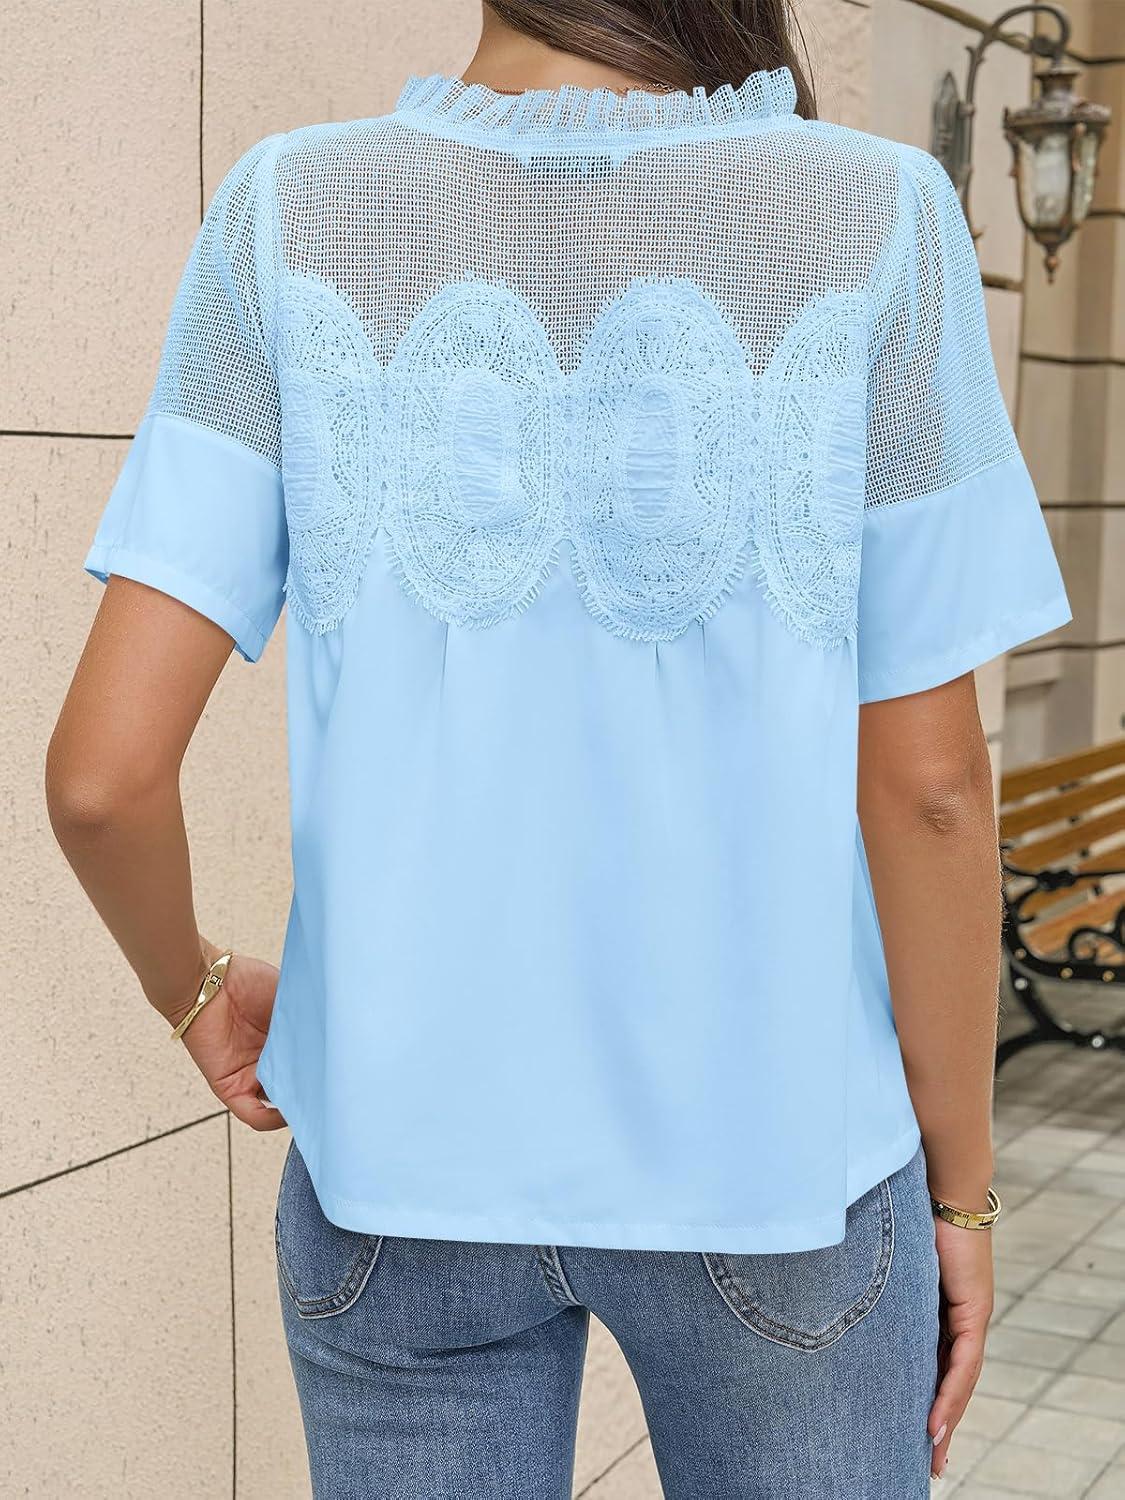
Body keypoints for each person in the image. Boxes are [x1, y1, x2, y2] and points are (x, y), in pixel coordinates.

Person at [46, 1, 1071, 1495]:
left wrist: (192, 988)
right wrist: (961, 1194)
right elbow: (929, 792)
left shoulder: (290, 212)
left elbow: (100, 784)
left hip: (394, 1179)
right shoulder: (874, 217)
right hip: (780, 1172)